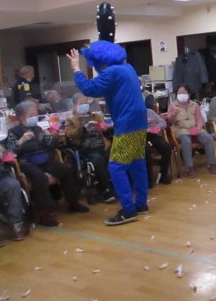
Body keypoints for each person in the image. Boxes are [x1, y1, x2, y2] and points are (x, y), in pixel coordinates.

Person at [68, 41, 148, 226]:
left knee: (116, 167)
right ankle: (141, 204)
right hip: (139, 120)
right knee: (137, 163)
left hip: (127, 122)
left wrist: (76, 69)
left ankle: (128, 210)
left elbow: (89, 89)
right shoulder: (128, 68)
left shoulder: (111, 72)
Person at [6, 101, 89, 226]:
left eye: (35, 114)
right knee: (40, 177)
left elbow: (51, 145)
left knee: (65, 170)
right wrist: (21, 141)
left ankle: (73, 202)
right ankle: (44, 214)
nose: (35, 117)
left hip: (43, 158)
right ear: (22, 118)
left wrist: (53, 137)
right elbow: (10, 152)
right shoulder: (14, 132)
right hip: (26, 162)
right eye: (32, 115)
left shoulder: (37, 129)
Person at [64, 93, 115, 203]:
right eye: (81, 103)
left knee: (115, 154)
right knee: (98, 159)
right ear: (75, 106)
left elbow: (104, 128)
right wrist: (84, 128)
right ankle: (105, 188)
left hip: (102, 145)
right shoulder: (72, 120)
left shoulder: (96, 116)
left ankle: (119, 184)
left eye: (86, 103)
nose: (84, 105)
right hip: (86, 148)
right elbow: (68, 133)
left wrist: (102, 127)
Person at [168, 85, 216, 176]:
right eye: (179, 92)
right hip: (181, 129)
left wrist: (199, 127)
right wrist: (173, 115)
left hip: (194, 128)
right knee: (186, 141)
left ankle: (211, 164)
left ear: (189, 94)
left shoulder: (195, 105)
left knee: (209, 138)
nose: (182, 94)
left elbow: (199, 119)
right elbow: (170, 121)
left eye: (184, 92)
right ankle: (189, 167)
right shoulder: (172, 106)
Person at [0, 144, 28, 243]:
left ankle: (16, 224)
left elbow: (7, 153)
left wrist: (4, 152)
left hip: (0, 177)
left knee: (13, 185)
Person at [145, 106, 173, 185]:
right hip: (139, 136)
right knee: (146, 151)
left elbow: (163, 122)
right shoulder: (131, 114)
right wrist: (144, 123)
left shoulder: (149, 111)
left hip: (152, 135)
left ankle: (163, 176)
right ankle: (148, 180)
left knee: (167, 147)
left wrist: (155, 128)